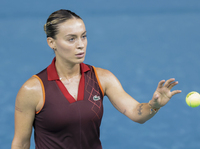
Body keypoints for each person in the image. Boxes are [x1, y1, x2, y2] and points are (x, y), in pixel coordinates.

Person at [11, 9, 181, 149]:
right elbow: (21, 143)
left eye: (83, 36)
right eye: (71, 39)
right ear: (51, 42)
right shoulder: (33, 90)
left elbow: (137, 113)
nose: (80, 44)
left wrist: (154, 105)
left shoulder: (102, 78)